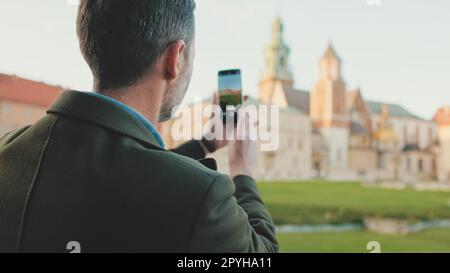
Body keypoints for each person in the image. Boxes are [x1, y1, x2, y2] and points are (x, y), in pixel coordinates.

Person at [0, 0, 278, 253]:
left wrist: (203, 144)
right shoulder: (202, 197)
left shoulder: (7, 153)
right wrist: (243, 170)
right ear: (176, 58)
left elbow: (126, 166)